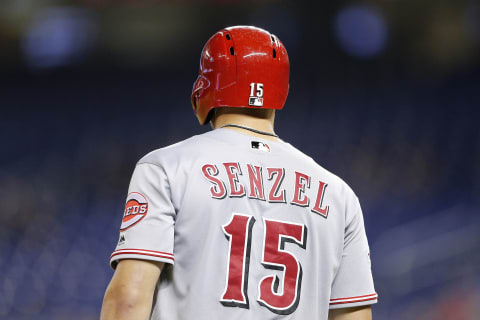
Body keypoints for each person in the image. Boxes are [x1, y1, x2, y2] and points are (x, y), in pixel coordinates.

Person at [100, 26, 377, 320]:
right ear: (281, 91)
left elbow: (127, 302)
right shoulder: (338, 194)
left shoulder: (166, 167)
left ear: (205, 87)